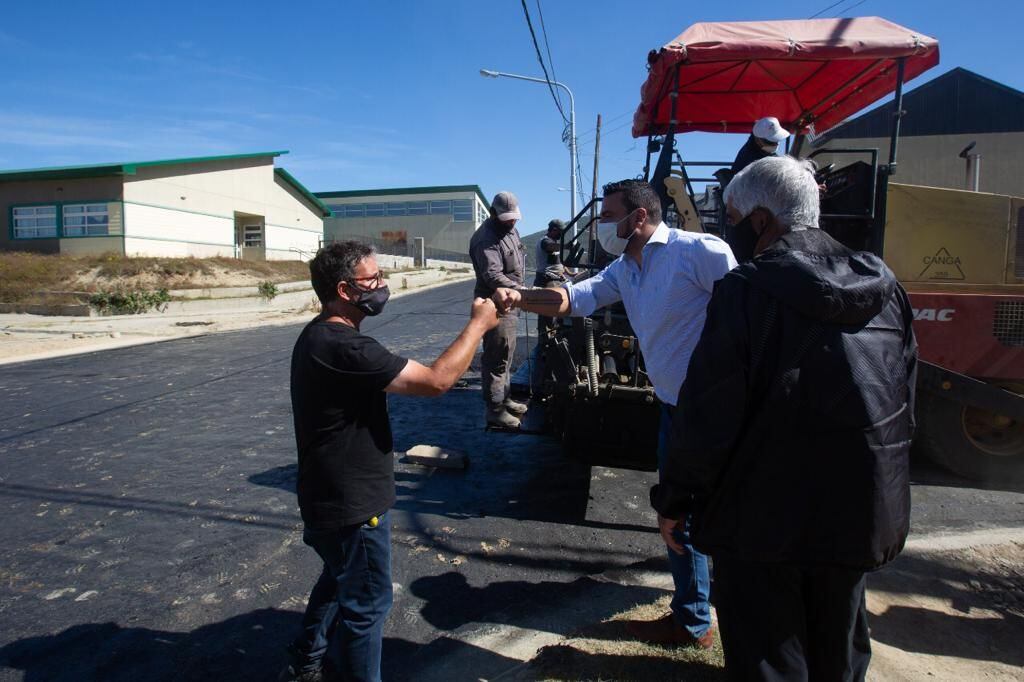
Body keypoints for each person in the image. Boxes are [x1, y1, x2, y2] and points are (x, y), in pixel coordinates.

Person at [651, 156, 918, 680]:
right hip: (860, 513)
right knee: (839, 655)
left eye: (731, 216)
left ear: (760, 222)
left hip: (762, 523)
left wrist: (675, 500)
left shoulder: (745, 292)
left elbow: (708, 415)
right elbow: (905, 403)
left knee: (769, 659)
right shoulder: (887, 291)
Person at [493, 179, 736, 649]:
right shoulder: (626, 269)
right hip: (672, 409)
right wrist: (518, 296)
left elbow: (747, 313)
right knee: (676, 517)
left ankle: (731, 614)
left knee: (720, 513)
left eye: (608, 217)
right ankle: (694, 621)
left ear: (638, 219)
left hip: (716, 412)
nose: (602, 226)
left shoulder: (699, 252)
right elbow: (572, 300)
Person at [282, 241, 499, 682]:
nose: (383, 286)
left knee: (338, 577)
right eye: (373, 280)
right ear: (344, 290)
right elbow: (437, 381)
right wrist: (478, 325)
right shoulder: (344, 347)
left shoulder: (320, 334)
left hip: (330, 498)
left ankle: (305, 663)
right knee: (367, 605)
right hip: (353, 505)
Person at [469, 191, 528, 429]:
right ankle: (494, 410)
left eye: (515, 218)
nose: (512, 222)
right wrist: (525, 292)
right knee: (496, 358)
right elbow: (493, 275)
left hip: (511, 301)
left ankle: (504, 399)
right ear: (494, 213)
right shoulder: (486, 239)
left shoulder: (509, 229)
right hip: (495, 305)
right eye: (507, 218)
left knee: (507, 354)